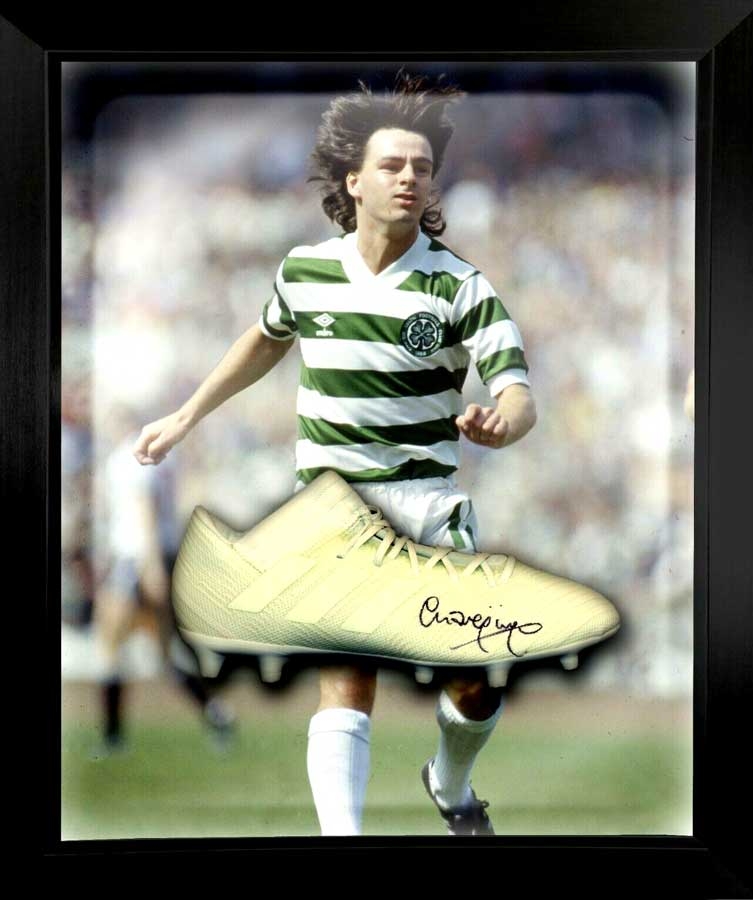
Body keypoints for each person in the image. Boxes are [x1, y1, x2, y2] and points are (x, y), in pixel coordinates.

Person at [133, 72, 537, 835]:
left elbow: (518, 394)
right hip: (334, 509)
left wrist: (500, 424)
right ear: (354, 181)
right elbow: (265, 338)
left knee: (476, 681)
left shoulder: (460, 287)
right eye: (392, 165)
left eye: (421, 167)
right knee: (347, 684)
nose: (409, 177)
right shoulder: (305, 271)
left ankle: (449, 783)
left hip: (427, 506)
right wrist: (187, 414)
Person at [96, 407, 235, 753]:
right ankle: (215, 714)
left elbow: (144, 509)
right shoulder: (160, 459)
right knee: (163, 653)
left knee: (112, 647)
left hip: (137, 560)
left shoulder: (129, 456)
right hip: (152, 557)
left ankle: (113, 737)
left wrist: (151, 564)